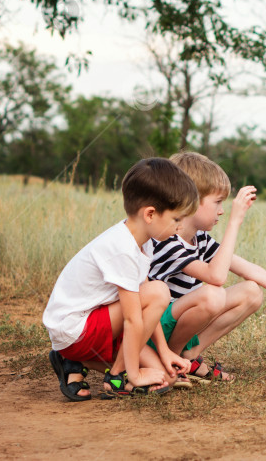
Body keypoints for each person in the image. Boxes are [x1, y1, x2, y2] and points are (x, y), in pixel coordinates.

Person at [148, 151, 266, 385]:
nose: (221, 210)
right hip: (153, 332)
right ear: (190, 201)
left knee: (251, 291)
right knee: (212, 294)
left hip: (176, 323)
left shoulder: (199, 239)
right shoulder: (166, 240)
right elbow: (216, 277)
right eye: (217, 202)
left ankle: (189, 356)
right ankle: (171, 361)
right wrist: (235, 221)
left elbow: (250, 270)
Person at [43, 158, 199, 401]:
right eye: (177, 219)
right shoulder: (122, 247)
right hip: (75, 328)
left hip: (98, 321)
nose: (180, 226)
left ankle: (81, 361)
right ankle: (116, 375)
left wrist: (165, 351)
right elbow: (133, 316)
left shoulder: (142, 240)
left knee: (164, 376)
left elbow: (145, 305)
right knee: (159, 291)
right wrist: (134, 375)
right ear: (150, 214)